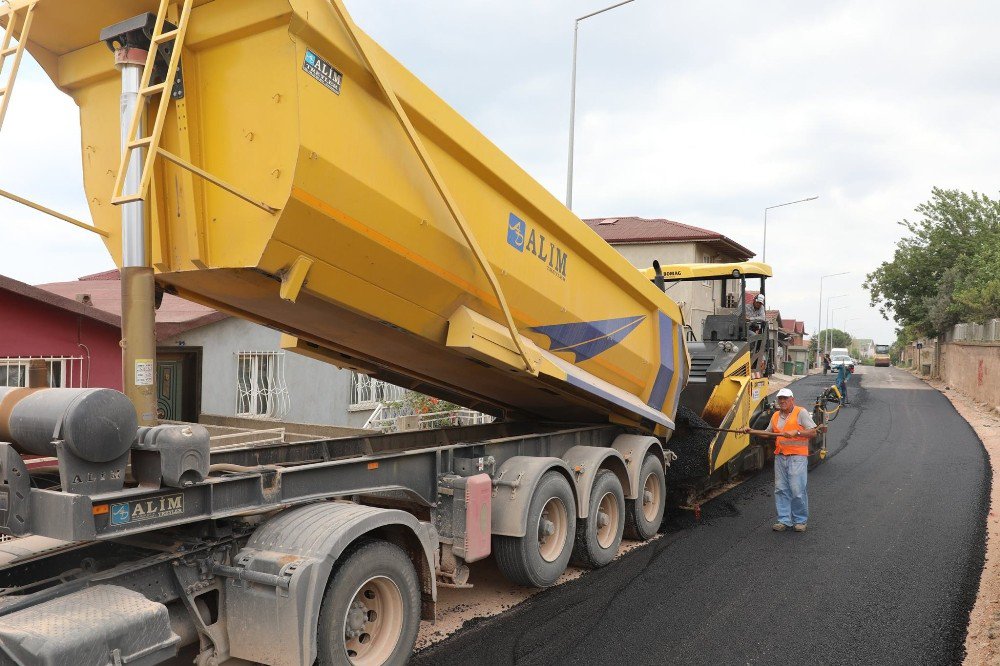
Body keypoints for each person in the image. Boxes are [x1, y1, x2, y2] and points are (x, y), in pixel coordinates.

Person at [743, 387, 823, 532]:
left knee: (797, 490)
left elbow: (813, 431)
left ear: (792, 400)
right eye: (780, 399)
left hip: (797, 458)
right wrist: (752, 431)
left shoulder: (801, 412)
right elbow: (768, 434)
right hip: (780, 457)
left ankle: (800, 521)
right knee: (781, 489)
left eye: (785, 398)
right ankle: (784, 520)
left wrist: (797, 432)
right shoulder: (775, 416)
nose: (782, 401)